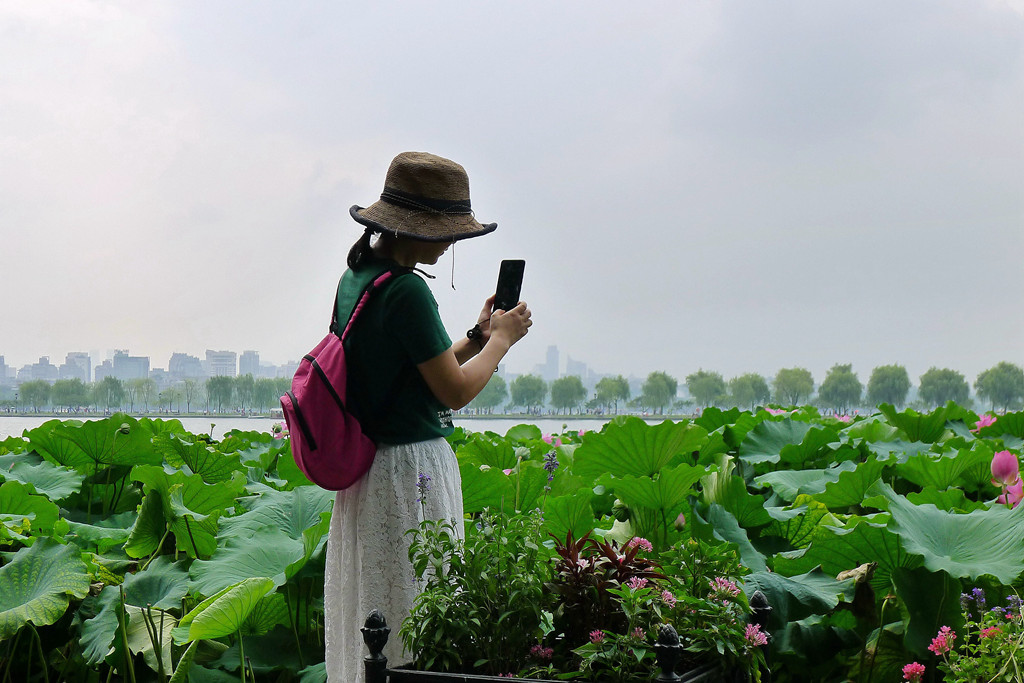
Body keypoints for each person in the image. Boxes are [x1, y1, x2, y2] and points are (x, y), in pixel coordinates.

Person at [323, 151, 532, 682]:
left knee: (374, 621)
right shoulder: (409, 290)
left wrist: (478, 337)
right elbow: (455, 390)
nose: (451, 242)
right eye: (445, 230)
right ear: (416, 228)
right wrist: (503, 343)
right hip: (407, 476)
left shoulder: (360, 278)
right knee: (417, 617)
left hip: (366, 476)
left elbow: (413, 372)